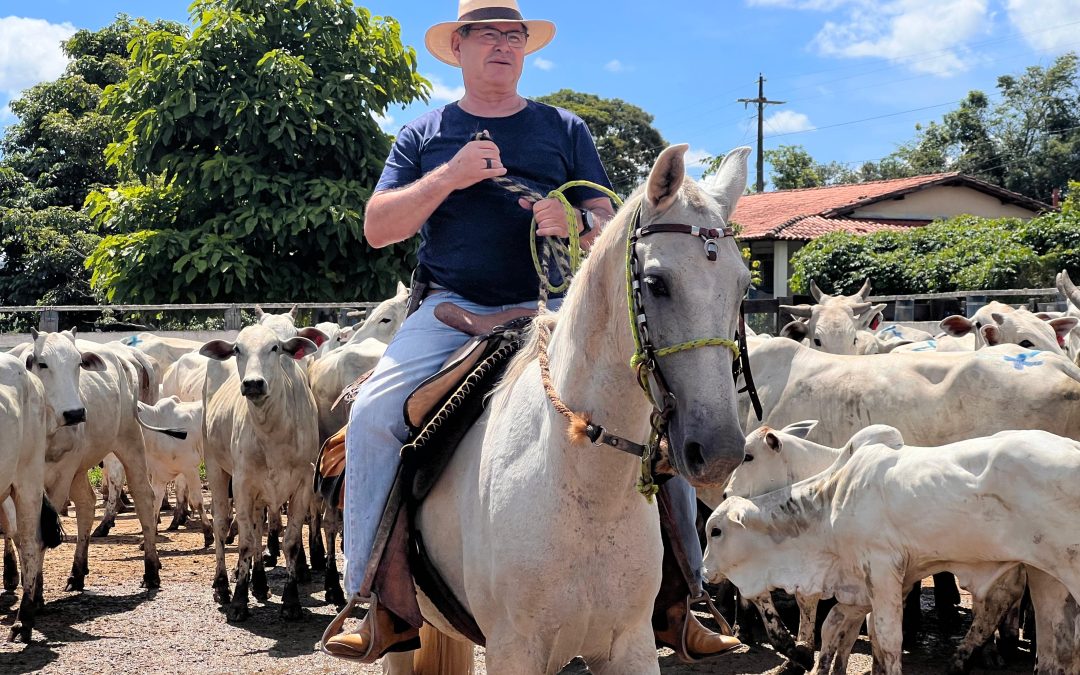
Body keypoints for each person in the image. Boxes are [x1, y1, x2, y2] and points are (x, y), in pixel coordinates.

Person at [325, 0, 740, 664]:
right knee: (374, 415)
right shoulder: (424, 133)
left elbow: (610, 226)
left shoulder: (563, 129)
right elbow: (379, 226)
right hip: (449, 314)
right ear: (456, 47)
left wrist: (573, 224)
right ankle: (372, 600)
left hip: (548, 312)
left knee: (649, 415)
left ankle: (685, 597)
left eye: (513, 34)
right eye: (486, 33)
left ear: (525, 49)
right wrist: (451, 176)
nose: (502, 44)